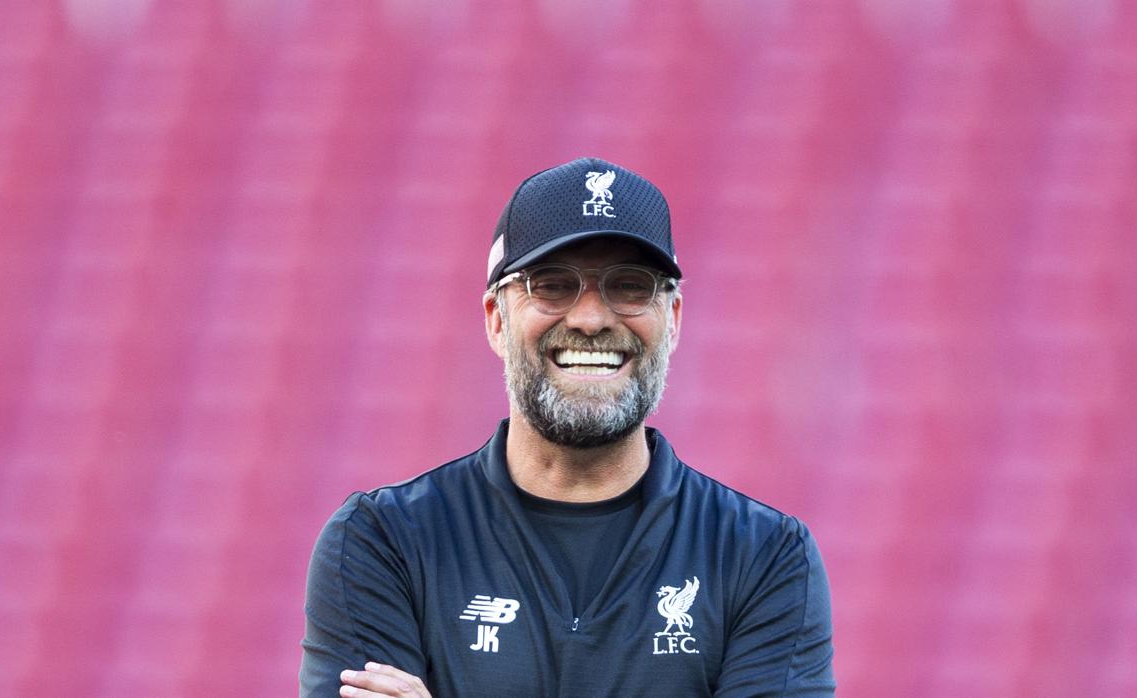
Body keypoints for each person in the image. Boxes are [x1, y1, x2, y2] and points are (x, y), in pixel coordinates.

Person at [300, 157, 836, 697]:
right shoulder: (383, 543)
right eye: (552, 285)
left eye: (630, 285)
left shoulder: (763, 557)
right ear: (495, 318)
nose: (589, 318)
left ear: (672, 320)